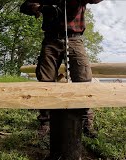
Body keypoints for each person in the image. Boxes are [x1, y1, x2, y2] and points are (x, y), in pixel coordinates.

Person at [20, 0, 102, 138]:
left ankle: (86, 122)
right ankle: (45, 123)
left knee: (83, 79)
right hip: (51, 40)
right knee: (46, 80)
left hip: (74, 39)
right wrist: (38, 8)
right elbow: (24, 6)